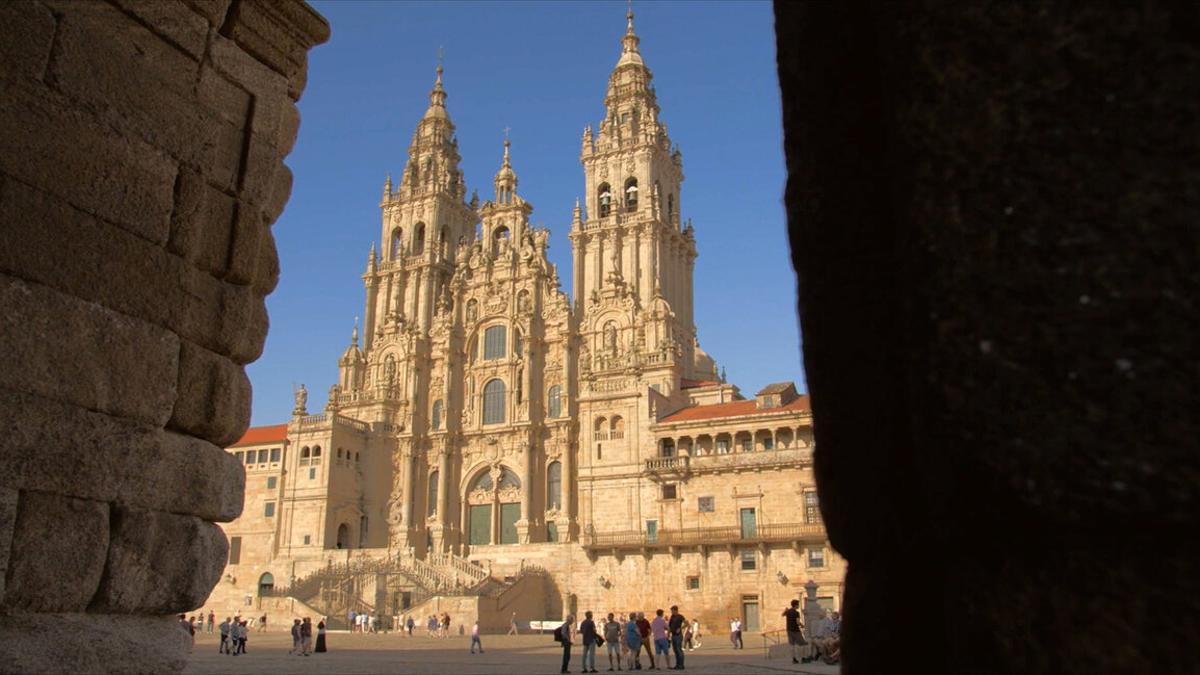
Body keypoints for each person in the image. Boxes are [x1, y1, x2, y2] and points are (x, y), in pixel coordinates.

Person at [783, 599, 806, 665]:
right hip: (796, 630)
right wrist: (802, 625)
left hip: (789, 630)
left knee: (792, 645)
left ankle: (794, 659)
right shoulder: (796, 613)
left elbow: (782, 614)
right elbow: (798, 622)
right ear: (796, 605)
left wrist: (785, 610)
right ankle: (803, 658)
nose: (798, 606)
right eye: (798, 605)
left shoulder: (788, 611)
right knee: (802, 644)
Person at [667, 606, 686, 670]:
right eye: (671, 611)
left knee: (679, 650)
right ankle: (677, 665)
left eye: (672, 611)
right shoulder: (672, 617)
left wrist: (680, 628)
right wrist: (668, 634)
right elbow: (670, 626)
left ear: (676, 610)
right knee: (675, 651)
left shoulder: (680, 616)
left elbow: (687, 623)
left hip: (678, 636)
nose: (671, 612)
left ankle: (681, 665)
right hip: (673, 635)